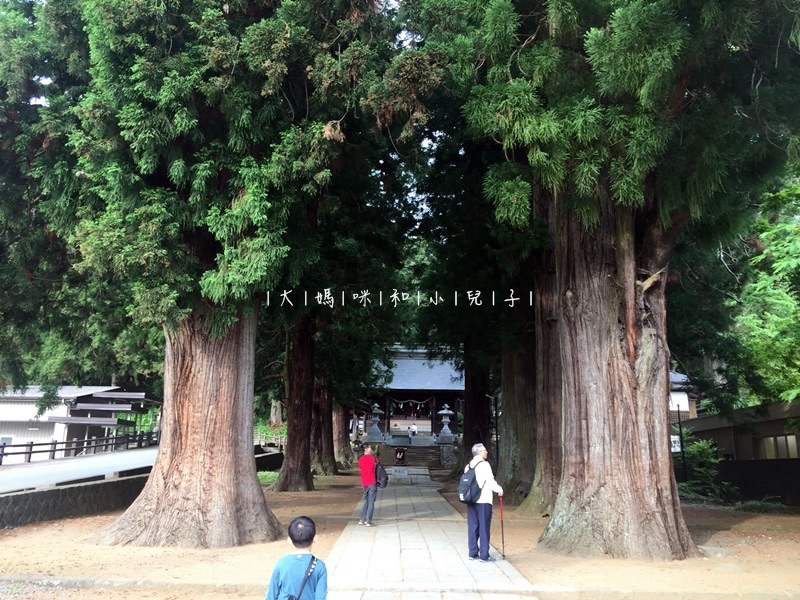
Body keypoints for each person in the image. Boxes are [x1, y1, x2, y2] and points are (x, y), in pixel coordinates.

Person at [265, 515, 327, 600]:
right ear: (315, 538)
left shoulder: (281, 563)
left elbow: (271, 595)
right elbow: (320, 597)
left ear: (289, 540)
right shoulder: (319, 566)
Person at [465, 442, 503, 562]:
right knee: (484, 527)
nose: (487, 452)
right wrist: (499, 490)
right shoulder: (485, 465)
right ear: (480, 452)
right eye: (485, 450)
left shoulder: (468, 466)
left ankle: (472, 551)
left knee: (473, 525)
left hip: (471, 499)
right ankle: (484, 555)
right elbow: (490, 481)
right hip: (483, 499)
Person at [357, 442, 378, 526]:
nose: (371, 449)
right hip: (372, 481)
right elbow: (377, 465)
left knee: (367, 500)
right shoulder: (373, 458)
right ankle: (368, 520)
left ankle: (362, 519)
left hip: (364, 482)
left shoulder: (360, 459)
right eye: (369, 448)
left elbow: (361, 467)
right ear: (366, 449)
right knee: (371, 502)